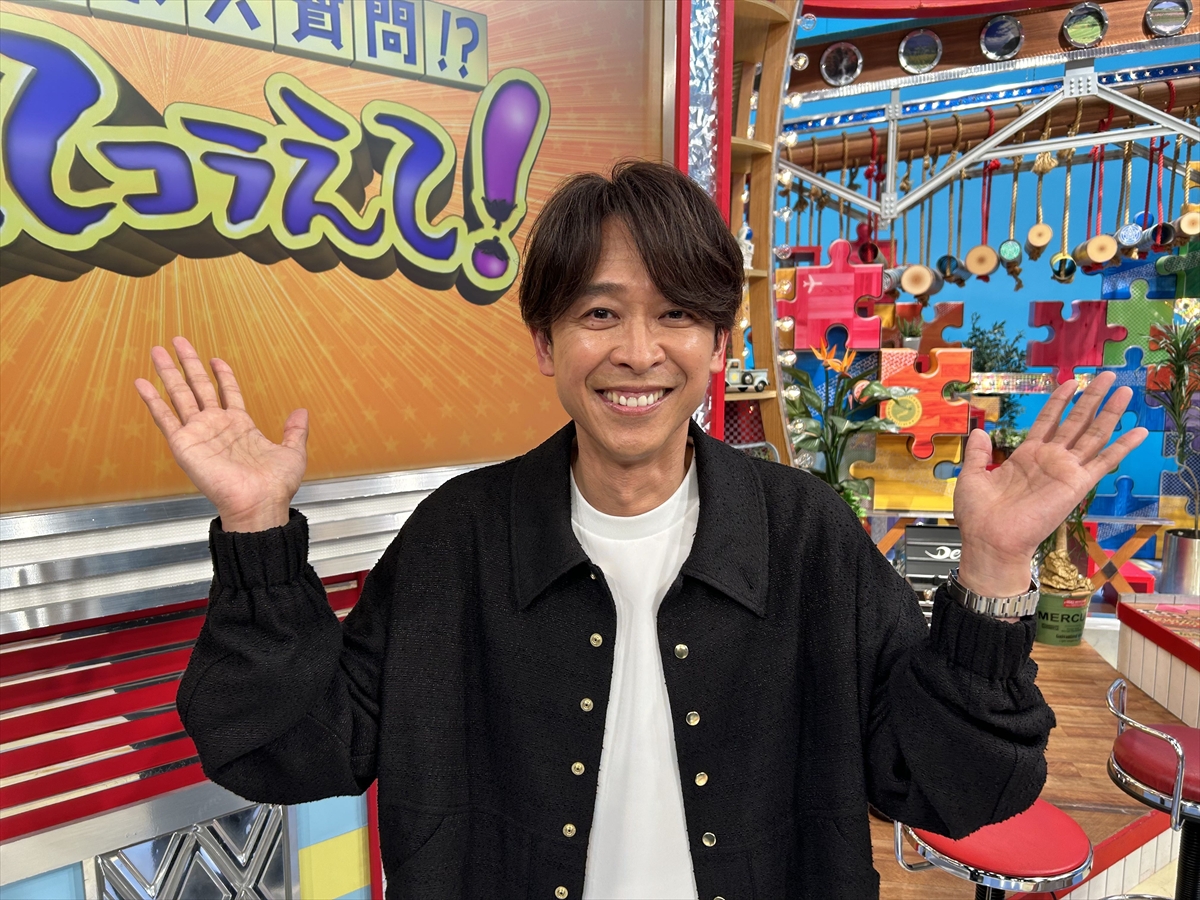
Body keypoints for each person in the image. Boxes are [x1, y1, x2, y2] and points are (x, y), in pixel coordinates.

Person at [135, 161, 1146, 900]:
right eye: (599, 314)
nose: (638, 353)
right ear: (545, 343)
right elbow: (292, 752)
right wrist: (256, 524)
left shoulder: (802, 534)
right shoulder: (458, 541)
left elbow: (954, 787)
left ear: (717, 342)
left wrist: (996, 563)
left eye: (674, 316)